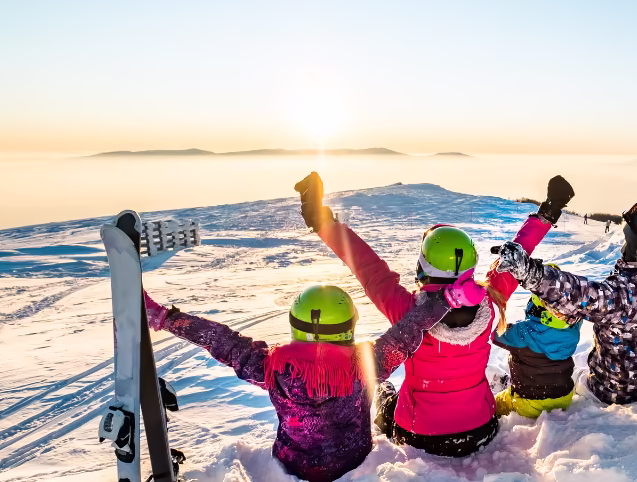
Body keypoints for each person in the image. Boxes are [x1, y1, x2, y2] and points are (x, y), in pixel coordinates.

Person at [294, 172, 574, 457]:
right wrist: (548, 211)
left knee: (386, 397)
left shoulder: (408, 312)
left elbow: (368, 268)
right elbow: (516, 256)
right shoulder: (490, 301)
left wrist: (322, 221)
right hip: (481, 428)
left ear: (424, 265)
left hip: (420, 435)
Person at [141, 279, 485, 482]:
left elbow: (222, 341)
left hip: (295, 464)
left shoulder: (272, 367)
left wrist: (165, 318)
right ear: (349, 325)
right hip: (353, 461)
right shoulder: (366, 365)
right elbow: (409, 331)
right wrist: (447, 300)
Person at [492, 178, 637, 405]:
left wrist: (527, 270)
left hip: (612, 393)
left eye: (627, 241)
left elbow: (571, 292)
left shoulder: (621, 296)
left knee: (576, 384)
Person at [492, 263, 581, 418]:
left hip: (529, 403)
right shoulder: (572, 328)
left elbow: (495, 333)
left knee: (494, 404)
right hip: (564, 397)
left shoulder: (523, 333)